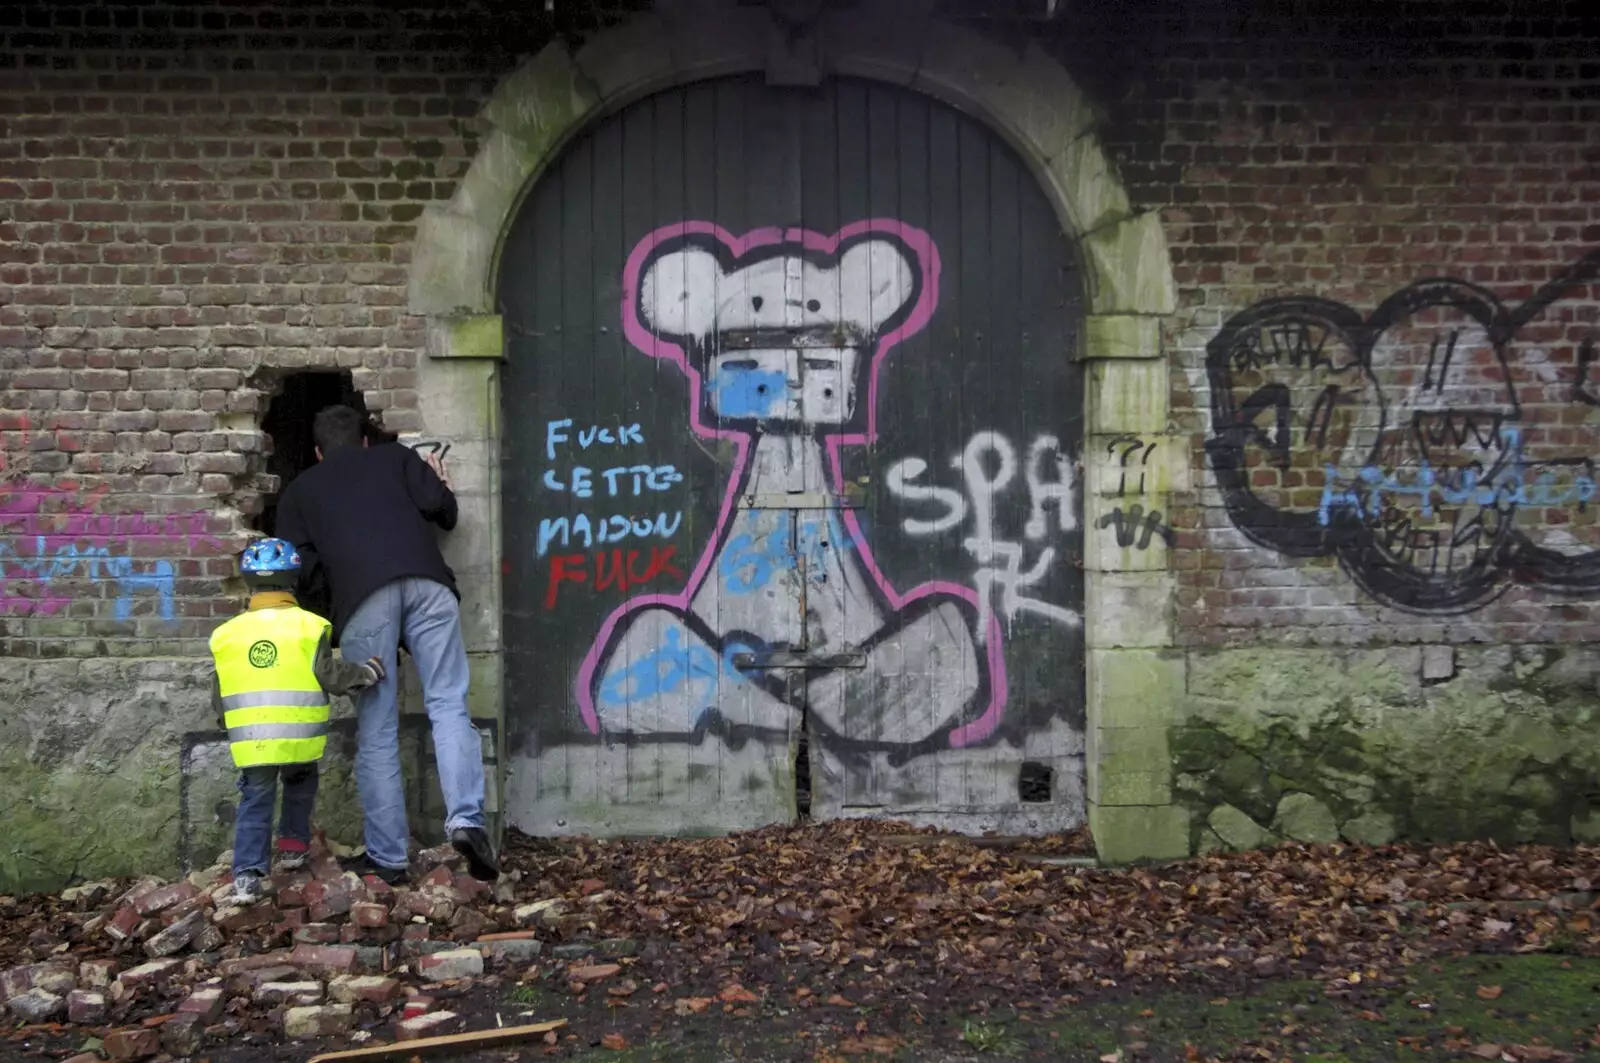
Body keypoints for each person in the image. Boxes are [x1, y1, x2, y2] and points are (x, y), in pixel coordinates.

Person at [274, 404, 499, 884]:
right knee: (449, 704)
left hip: (363, 597)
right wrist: (438, 484)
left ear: (317, 453)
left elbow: (301, 570)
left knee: (377, 728)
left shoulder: (299, 491)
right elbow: (448, 515)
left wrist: (336, 598)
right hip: (430, 586)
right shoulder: (397, 457)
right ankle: (466, 821)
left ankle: (389, 858)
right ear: (365, 441)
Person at [210, 537, 385, 904]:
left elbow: (220, 690)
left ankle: (247, 877)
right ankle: (292, 849)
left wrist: (223, 722)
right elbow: (329, 675)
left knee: (255, 799)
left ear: (248, 583)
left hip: (252, 739)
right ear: (293, 580)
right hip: (299, 736)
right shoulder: (310, 626)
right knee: (299, 786)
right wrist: (367, 673)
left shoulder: (226, 635)